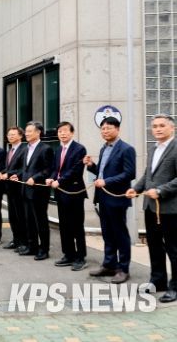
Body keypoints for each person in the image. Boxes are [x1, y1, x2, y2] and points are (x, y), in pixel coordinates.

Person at [127, 114, 177, 302]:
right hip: (150, 207)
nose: (158, 129)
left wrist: (161, 191)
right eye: (154, 126)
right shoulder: (153, 148)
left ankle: (175, 287)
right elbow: (148, 174)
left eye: (162, 125)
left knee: (173, 249)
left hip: (170, 209)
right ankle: (158, 280)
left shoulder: (175, 147)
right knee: (155, 246)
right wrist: (136, 189)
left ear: (172, 128)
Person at [84, 116, 136, 284]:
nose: (105, 131)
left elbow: (130, 173)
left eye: (108, 128)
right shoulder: (104, 148)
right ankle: (109, 265)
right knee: (107, 233)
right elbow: (102, 172)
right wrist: (91, 166)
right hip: (103, 197)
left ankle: (123, 269)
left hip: (117, 198)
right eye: (103, 128)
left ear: (117, 129)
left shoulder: (126, 149)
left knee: (120, 234)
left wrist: (107, 181)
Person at [46, 122, 88, 271]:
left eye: (65, 131)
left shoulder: (79, 149)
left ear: (72, 132)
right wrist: (51, 178)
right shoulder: (58, 149)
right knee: (64, 225)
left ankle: (80, 257)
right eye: (60, 131)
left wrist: (60, 181)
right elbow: (55, 169)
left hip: (74, 192)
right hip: (60, 192)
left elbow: (76, 170)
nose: (62, 134)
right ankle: (68, 254)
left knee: (76, 225)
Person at [13, 121, 53, 261]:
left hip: (39, 191)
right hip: (26, 189)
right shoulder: (26, 149)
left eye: (30, 131)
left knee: (40, 221)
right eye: (26, 131)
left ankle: (44, 249)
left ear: (38, 132)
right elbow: (24, 169)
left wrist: (35, 178)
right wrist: (17, 175)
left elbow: (48, 170)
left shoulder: (46, 149)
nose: (27, 134)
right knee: (29, 220)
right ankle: (32, 246)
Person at [0, 126, 28, 252]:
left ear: (21, 136)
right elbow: (8, 167)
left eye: (13, 134)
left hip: (19, 187)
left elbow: (23, 168)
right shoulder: (10, 150)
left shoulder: (24, 149)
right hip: (10, 188)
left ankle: (24, 242)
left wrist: (8, 174)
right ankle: (16, 239)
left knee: (21, 216)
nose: (10, 136)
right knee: (13, 216)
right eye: (9, 134)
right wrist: (1, 172)